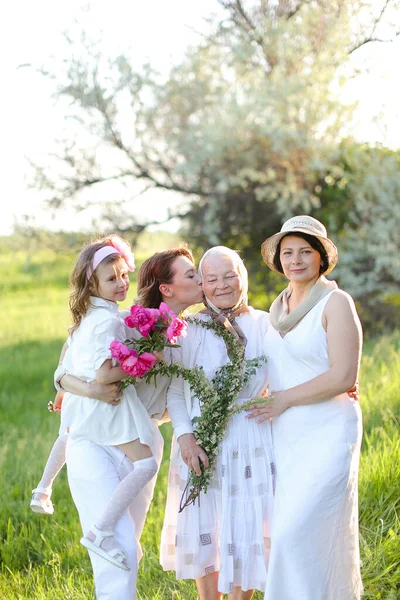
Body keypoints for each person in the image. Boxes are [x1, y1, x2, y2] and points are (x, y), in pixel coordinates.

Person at [48, 246, 203, 599]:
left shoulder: (191, 333)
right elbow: (61, 373)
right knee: (118, 552)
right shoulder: (132, 324)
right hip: (98, 440)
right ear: (167, 288)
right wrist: (92, 388)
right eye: (191, 274)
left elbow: (178, 397)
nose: (201, 279)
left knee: (127, 548)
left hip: (143, 439)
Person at [248, 215, 363, 600]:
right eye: (288, 252)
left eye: (305, 252)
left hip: (329, 430)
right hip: (287, 436)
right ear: (278, 259)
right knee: (295, 537)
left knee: (294, 533)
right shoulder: (275, 310)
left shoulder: (336, 302)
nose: (295, 260)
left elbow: (344, 375)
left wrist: (284, 399)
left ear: (321, 257)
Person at [160, 246, 274, 600]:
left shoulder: (265, 324)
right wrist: (186, 438)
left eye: (230, 276)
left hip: (252, 434)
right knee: (206, 524)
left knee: (247, 525)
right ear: (203, 285)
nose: (222, 285)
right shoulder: (191, 329)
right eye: (212, 278)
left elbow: (291, 372)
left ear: (243, 278)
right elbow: (176, 392)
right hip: (202, 438)